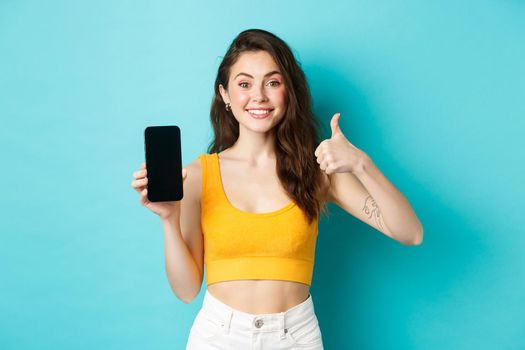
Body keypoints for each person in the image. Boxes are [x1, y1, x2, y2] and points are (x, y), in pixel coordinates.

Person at [131, 28, 424, 350]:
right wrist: (169, 219)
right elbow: (186, 291)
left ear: (289, 92)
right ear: (225, 94)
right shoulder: (198, 175)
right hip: (218, 336)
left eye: (273, 82)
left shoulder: (316, 171)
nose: (259, 96)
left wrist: (361, 164)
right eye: (244, 84)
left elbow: (410, 233)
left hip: (295, 336)